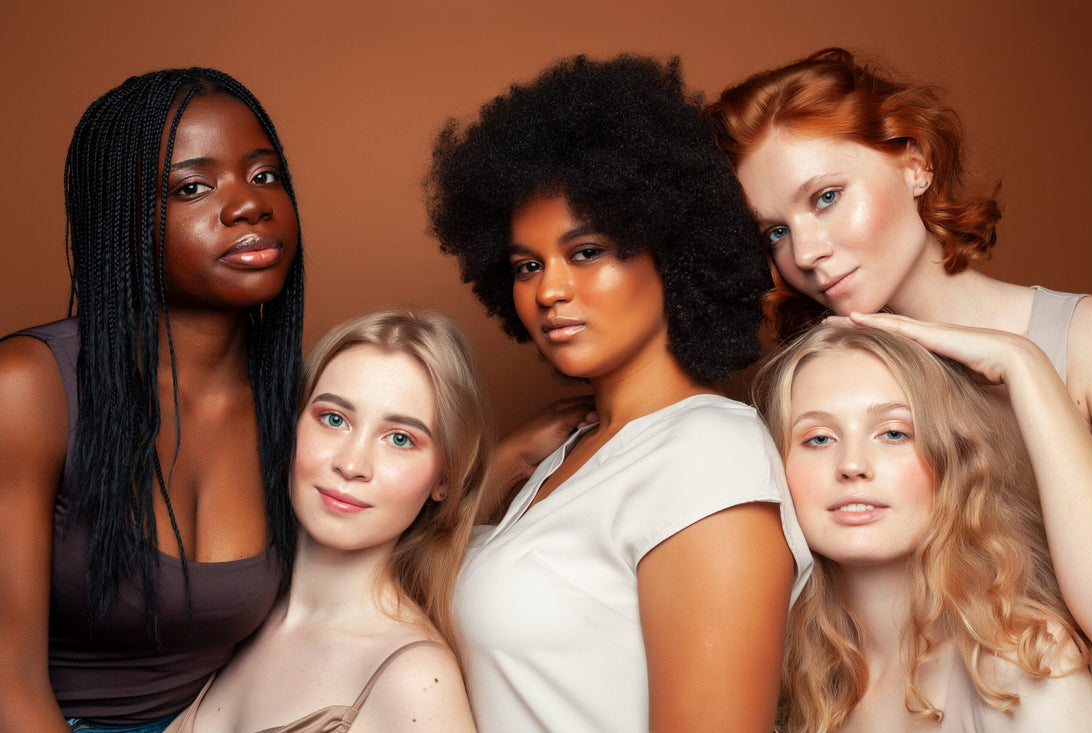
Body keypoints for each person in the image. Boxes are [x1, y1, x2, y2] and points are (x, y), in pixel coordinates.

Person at [426, 54, 812, 731]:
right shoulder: (567, 452)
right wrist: (502, 466)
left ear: (671, 250)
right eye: (526, 265)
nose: (547, 290)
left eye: (586, 252)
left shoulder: (707, 454)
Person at [706, 48, 1092, 644]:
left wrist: (1023, 364)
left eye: (826, 197)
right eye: (776, 232)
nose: (805, 253)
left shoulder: (1086, 341)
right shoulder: (826, 390)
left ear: (915, 163)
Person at [0, 68, 304, 732]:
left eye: (264, 175)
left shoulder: (297, 403)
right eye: (193, 187)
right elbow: (8, 685)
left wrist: (504, 461)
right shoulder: (29, 389)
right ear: (122, 218)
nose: (248, 205)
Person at [754, 323, 1092, 732]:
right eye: (819, 439)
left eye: (894, 433)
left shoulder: (1024, 662)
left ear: (957, 462)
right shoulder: (789, 679)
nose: (851, 465)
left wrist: (1020, 359)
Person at [164, 310, 485, 733]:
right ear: (292, 424)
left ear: (444, 478)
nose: (352, 464)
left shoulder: (417, 683)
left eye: (400, 439)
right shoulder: (235, 615)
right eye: (334, 419)